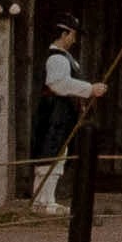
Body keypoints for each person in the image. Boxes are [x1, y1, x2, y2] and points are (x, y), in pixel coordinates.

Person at [31, 18, 108, 210]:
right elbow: (59, 84)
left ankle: (47, 199)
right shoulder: (56, 58)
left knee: (59, 155)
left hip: (63, 115)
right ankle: (41, 201)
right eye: (73, 35)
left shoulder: (67, 58)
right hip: (53, 115)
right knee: (50, 153)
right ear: (64, 34)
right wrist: (90, 89)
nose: (74, 39)